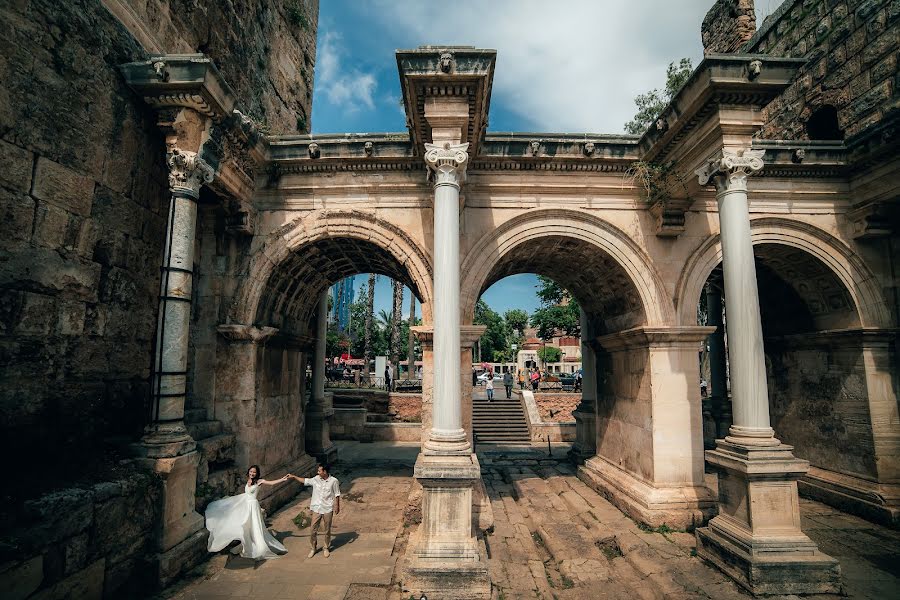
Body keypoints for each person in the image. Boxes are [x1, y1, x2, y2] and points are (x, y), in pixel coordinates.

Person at [205, 465, 291, 560]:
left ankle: (260, 547)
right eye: (251, 472)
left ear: (257, 473)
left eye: (254, 472)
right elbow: (247, 494)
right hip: (246, 505)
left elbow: (271, 483)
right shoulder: (248, 480)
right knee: (245, 525)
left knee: (255, 525)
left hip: (253, 506)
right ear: (248, 472)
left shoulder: (259, 481)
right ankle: (246, 543)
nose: (252, 473)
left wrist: (282, 479)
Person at [289, 464, 341, 558]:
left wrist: (337, 506)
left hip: (327, 508)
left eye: (319, 471)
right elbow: (305, 480)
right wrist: (293, 477)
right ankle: (313, 548)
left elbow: (337, 494)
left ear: (324, 472)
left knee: (327, 529)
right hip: (316, 508)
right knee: (313, 529)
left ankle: (326, 547)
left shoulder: (334, 481)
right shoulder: (316, 479)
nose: (318, 472)